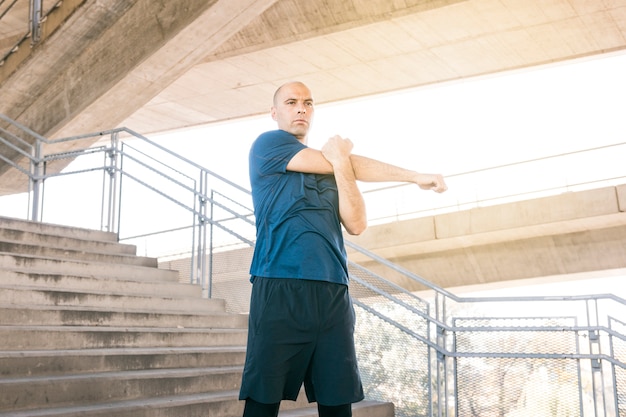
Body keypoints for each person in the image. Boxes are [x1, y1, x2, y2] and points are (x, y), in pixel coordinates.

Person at [239, 81, 447, 417]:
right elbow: (344, 162)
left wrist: (342, 165)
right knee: (263, 401)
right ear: (275, 112)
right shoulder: (269, 144)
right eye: (291, 102)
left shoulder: (336, 169)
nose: (301, 108)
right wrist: (411, 175)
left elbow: (356, 223)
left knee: (337, 404)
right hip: (280, 286)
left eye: (308, 102)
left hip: (334, 292)